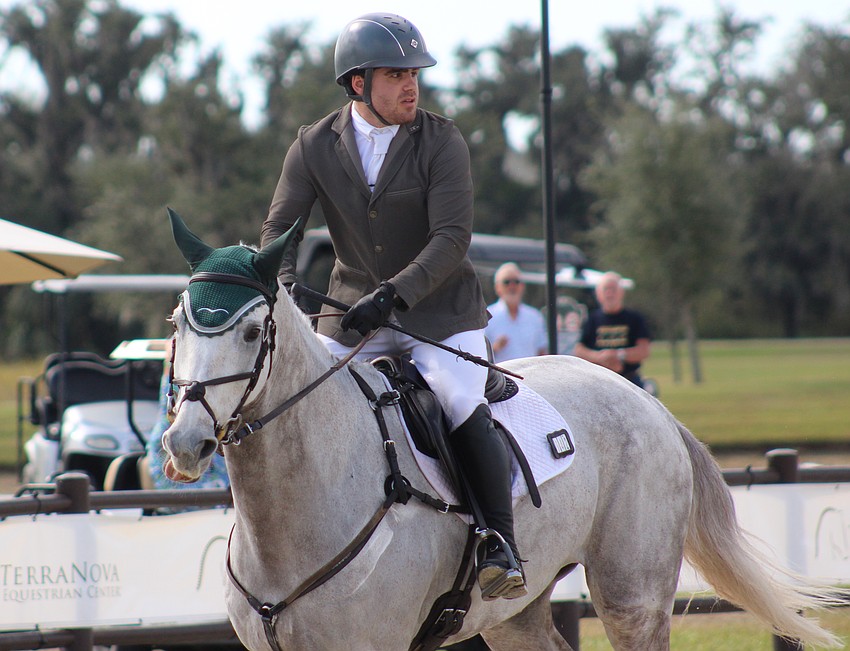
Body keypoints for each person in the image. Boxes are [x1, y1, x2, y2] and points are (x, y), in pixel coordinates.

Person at [260, 13, 525, 600]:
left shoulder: (442, 140)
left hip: (440, 314)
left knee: (457, 398)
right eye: (396, 75)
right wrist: (281, 295)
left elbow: (451, 239)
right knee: (297, 398)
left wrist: (393, 295)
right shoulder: (311, 146)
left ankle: (499, 543)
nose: (411, 86)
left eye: (415, 74)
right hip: (351, 311)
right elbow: (280, 230)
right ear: (358, 84)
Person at [573, 271, 651, 388]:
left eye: (613, 289)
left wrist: (619, 355)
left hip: (630, 381)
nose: (609, 294)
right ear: (598, 294)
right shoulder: (592, 319)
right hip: (599, 382)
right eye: (605, 289)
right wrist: (600, 357)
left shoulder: (635, 319)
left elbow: (644, 350)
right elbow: (579, 350)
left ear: (621, 292)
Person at [485, 262, 547, 363]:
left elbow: (542, 352)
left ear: (522, 286)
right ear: (497, 287)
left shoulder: (535, 316)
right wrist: (494, 348)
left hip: (530, 376)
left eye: (516, 282)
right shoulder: (487, 317)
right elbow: (479, 356)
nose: (512, 286)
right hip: (500, 377)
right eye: (507, 282)